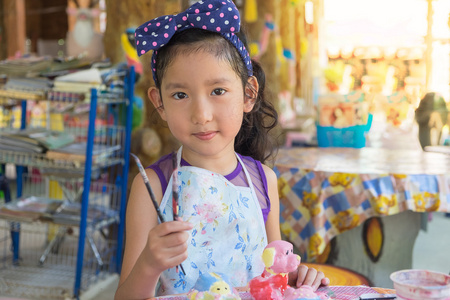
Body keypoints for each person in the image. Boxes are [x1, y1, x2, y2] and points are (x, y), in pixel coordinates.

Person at [115, 1, 329, 299]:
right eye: (180, 94)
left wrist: (296, 276)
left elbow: (275, 273)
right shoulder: (151, 185)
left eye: (217, 91)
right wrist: (149, 265)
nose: (201, 114)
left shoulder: (263, 180)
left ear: (248, 94)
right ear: (159, 103)